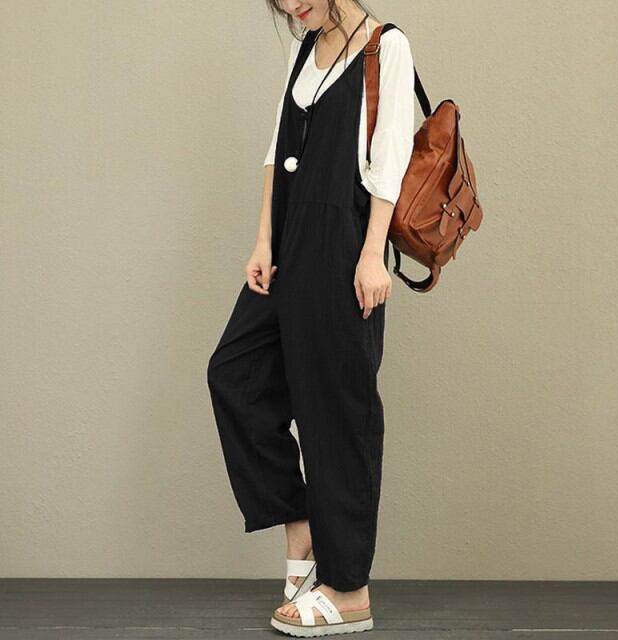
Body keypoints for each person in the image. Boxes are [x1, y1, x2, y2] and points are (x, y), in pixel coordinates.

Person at [207, 0, 415, 635]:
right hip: (290, 241)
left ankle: (348, 589)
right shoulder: (307, 48)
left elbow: (391, 159)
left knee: (336, 412)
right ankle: (300, 525)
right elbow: (277, 154)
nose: (291, 5)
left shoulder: (385, 46)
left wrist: (372, 255)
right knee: (234, 375)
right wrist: (263, 240)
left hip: (342, 243)